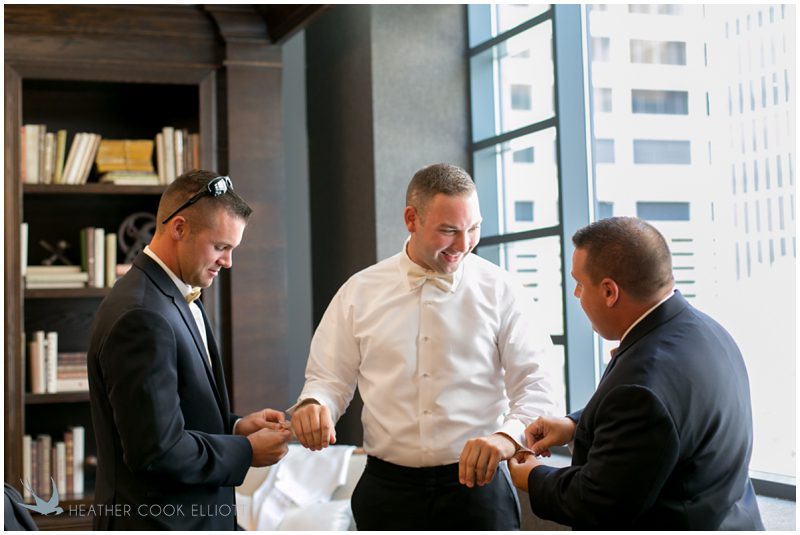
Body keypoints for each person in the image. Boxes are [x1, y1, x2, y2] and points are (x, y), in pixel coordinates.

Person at [290, 163, 555, 530]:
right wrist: (315, 404)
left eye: (473, 228)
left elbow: (538, 387)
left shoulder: (503, 291)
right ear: (411, 219)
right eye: (449, 231)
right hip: (386, 491)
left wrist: (507, 436)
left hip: (479, 490)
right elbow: (328, 380)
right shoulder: (358, 291)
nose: (464, 245)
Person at [508, 216, 764, 530]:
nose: (576, 294)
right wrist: (574, 424)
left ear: (609, 292)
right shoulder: (708, 332)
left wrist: (533, 476)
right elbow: (665, 417)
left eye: (580, 284)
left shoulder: (642, 385)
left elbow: (598, 502)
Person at [88, 170, 292, 530]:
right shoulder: (141, 315)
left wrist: (237, 427)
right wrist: (246, 452)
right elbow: (157, 451)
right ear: (179, 228)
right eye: (221, 247)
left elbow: (175, 416)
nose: (228, 262)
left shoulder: (177, 294)